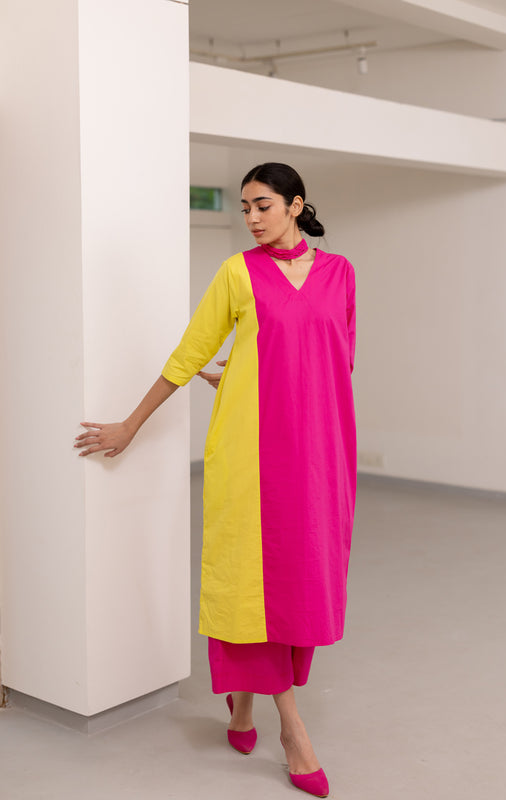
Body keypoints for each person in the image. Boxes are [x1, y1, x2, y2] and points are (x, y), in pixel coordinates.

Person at [75, 163, 357, 798]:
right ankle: (292, 730)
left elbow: (336, 360)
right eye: (244, 207)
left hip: (318, 452)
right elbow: (190, 353)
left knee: (299, 579)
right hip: (249, 452)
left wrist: (256, 365)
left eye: (262, 205)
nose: (251, 218)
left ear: (296, 205)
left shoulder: (340, 273)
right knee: (249, 579)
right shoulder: (237, 272)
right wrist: (130, 425)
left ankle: (241, 704)